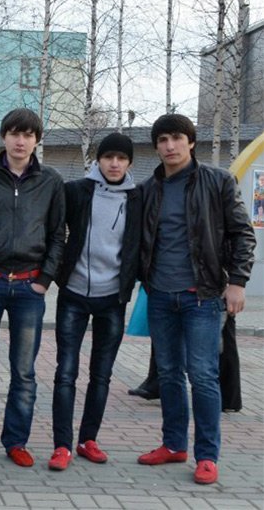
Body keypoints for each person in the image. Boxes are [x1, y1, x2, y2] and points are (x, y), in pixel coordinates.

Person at [137, 113, 255, 484]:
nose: (169, 146)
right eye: (162, 140)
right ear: (156, 146)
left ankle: (207, 455)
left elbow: (242, 235)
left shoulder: (217, 181)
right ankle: (173, 445)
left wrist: (237, 282)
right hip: (159, 296)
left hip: (202, 297)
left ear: (191, 141)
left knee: (203, 375)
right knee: (169, 374)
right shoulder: (148, 189)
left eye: (176, 138)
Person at [0, 108, 65, 468]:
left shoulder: (51, 181)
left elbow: (57, 236)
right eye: (14, 133)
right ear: (2, 136)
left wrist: (44, 280)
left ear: (37, 139)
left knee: (24, 372)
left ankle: (16, 441)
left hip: (28, 288)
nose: (21, 141)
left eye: (28, 135)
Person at [48, 133, 141, 471]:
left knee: (101, 375)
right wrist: (57, 272)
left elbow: (143, 244)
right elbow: (55, 231)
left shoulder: (138, 197)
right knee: (65, 373)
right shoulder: (76, 190)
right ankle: (61, 445)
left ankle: (88, 440)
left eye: (121, 158)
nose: (114, 164)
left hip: (112, 298)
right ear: (98, 160)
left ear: (129, 162)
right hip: (73, 293)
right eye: (108, 157)